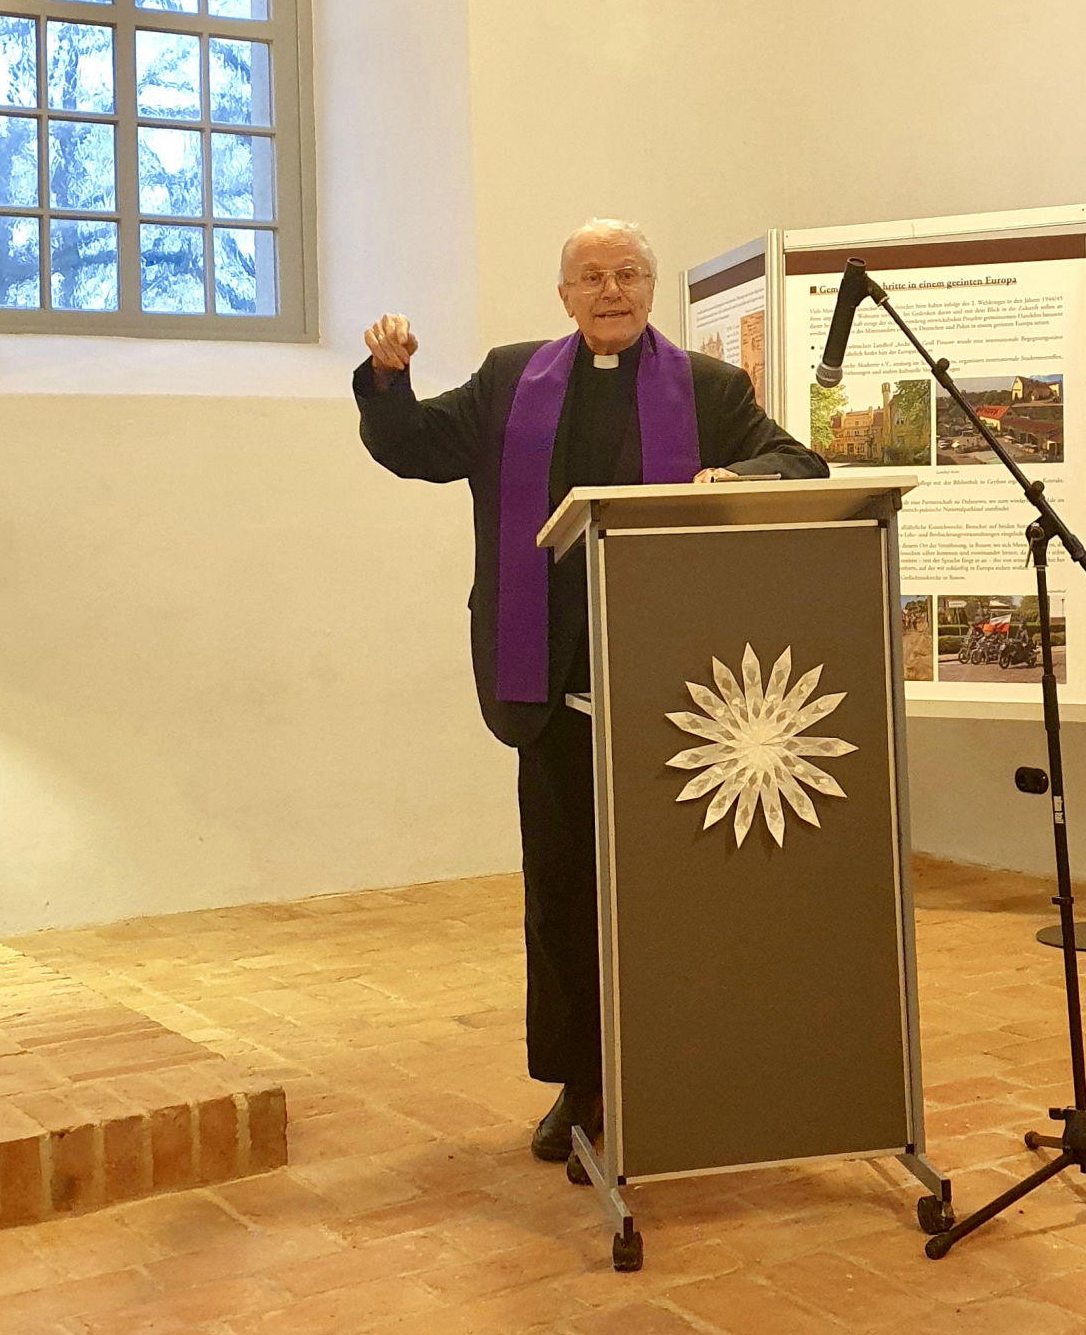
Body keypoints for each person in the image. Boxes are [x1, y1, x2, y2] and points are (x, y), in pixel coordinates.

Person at [354, 219, 827, 1161]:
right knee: (565, 897)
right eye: (592, 277)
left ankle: (681, 1065)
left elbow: (799, 464)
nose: (612, 291)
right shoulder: (510, 380)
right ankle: (582, 1084)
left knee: (677, 893)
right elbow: (416, 446)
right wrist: (387, 378)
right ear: (564, 295)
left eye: (629, 273)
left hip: (679, 696)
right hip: (554, 690)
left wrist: (728, 472)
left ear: (650, 286)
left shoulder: (709, 388)